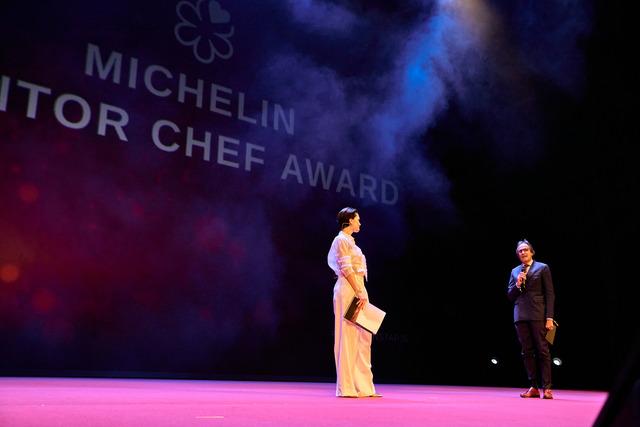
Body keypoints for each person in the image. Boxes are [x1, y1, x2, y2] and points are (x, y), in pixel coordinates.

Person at [327, 207, 380, 398]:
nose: (360, 223)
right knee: (347, 335)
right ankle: (346, 387)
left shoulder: (352, 242)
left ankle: (364, 387)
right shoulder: (340, 240)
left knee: (364, 336)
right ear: (349, 220)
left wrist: (361, 290)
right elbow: (346, 268)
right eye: (357, 219)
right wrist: (358, 290)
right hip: (348, 289)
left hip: (358, 288)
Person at [507, 239, 556, 399]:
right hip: (520, 314)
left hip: (537, 313)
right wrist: (517, 284)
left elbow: (549, 294)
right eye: (520, 251)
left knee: (542, 350)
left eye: (525, 249)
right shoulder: (515, 271)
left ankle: (547, 388)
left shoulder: (542, 267)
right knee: (526, 351)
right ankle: (533, 386)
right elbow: (510, 295)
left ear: (531, 252)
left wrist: (549, 317)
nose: (523, 252)